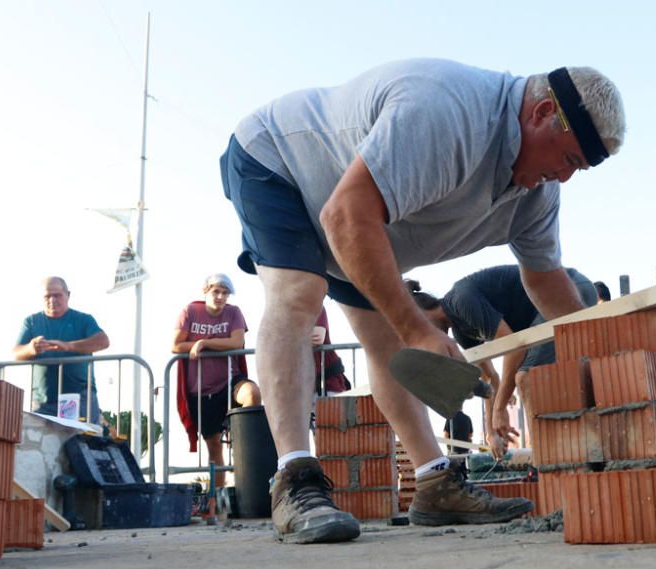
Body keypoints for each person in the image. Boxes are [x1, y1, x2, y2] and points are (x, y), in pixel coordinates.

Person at [220, 58, 625, 543]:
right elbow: (348, 216)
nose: (564, 178)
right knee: (299, 292)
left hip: (357, 214)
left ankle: (434, 483)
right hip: (281, 162)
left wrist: (603, 350)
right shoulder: (448, 113)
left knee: (384, 338)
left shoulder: (535, 195)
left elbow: (545, 280)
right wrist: (419, 330)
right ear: (540, 113)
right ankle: (294, 479)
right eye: (569, 159)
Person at [407, 264, 598, 457]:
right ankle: (558, 455)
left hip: (568, 288)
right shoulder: (461, 331)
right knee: (543, 379)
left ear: (421, 314)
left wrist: (500, 409)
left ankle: (544, 462)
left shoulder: (460, 301)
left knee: (525, 378)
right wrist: (492, 432)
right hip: (545, 310)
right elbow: (491, 378)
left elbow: (515, 349)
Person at [173, 273, 262, 488]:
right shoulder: (190, 311)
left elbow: (237, 342)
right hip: (201, 390)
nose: (220, 296)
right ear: (206, 292)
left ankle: (242, 443)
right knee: (214, 446)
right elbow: (176, 345)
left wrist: (203, 342)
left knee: (252, 394)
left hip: (230, 381)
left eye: (225, 293)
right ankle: (219, 497)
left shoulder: (234, 312)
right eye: (216, 291)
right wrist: (200, 344)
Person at [14, 276, 109, 424]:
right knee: (43, 446)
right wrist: (31, 348)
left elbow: (103, 341)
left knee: (84, 444)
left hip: (80, 398)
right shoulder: (31, 322)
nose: (52, 300)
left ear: (68, 295)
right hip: (43, 401)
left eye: (57, 295)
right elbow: (16, 353)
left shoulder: (84, 319)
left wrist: (69, 346)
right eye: (47, 296)